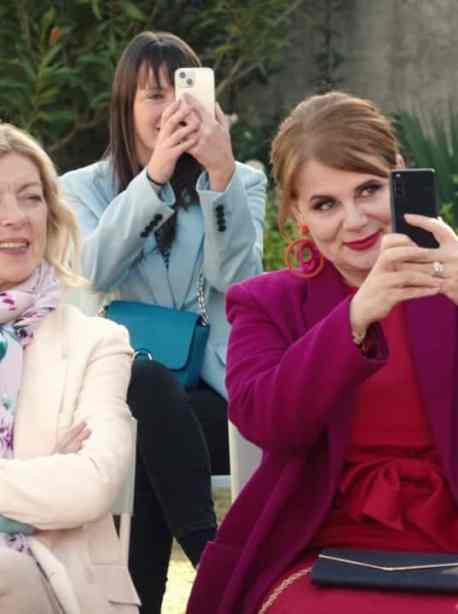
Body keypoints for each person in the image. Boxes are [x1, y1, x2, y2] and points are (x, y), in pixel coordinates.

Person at [185, 91, 458, 614]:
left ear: (399, 177)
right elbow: (265, 421)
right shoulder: (267, 302)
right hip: (315, 547)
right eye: (325, 204)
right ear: (297, 212)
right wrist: (353, 320)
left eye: (369, 190)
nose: (354, 220)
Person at [60, 31, 267, 614]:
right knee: (144, 386)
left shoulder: (241, 181)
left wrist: (219, 179)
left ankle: (154, 598)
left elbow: (239, 282)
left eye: (182, 93)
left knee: (147, 434)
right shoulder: (81, 189)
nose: (171, 109)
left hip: (214, 398)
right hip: (116, 398)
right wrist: (153, 178)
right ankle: (216, 563)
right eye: (153, 95)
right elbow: (93, 271)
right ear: (125, 106)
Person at [0, 123, 137, 612]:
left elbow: (91, 484)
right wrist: (37, 478)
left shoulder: (97, 342)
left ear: (51, 214)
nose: (15, 217)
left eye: (30, 198)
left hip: (58, 582)